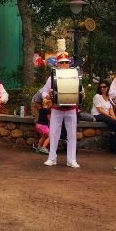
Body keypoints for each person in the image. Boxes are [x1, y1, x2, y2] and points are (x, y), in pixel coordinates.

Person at [42, 39, 81, 168]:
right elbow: (44, 91)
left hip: (71, 109)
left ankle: (71, 160)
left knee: (71, 134)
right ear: (58, 64)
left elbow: (81, 91)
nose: (64, 65)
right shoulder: (52, 77)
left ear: (69, 63)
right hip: (57, 108)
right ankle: (52, 158)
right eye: (61, 63)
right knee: (54, 133)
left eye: (66, 62)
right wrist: (47, 96)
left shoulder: (74, 75)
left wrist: (81, 95)